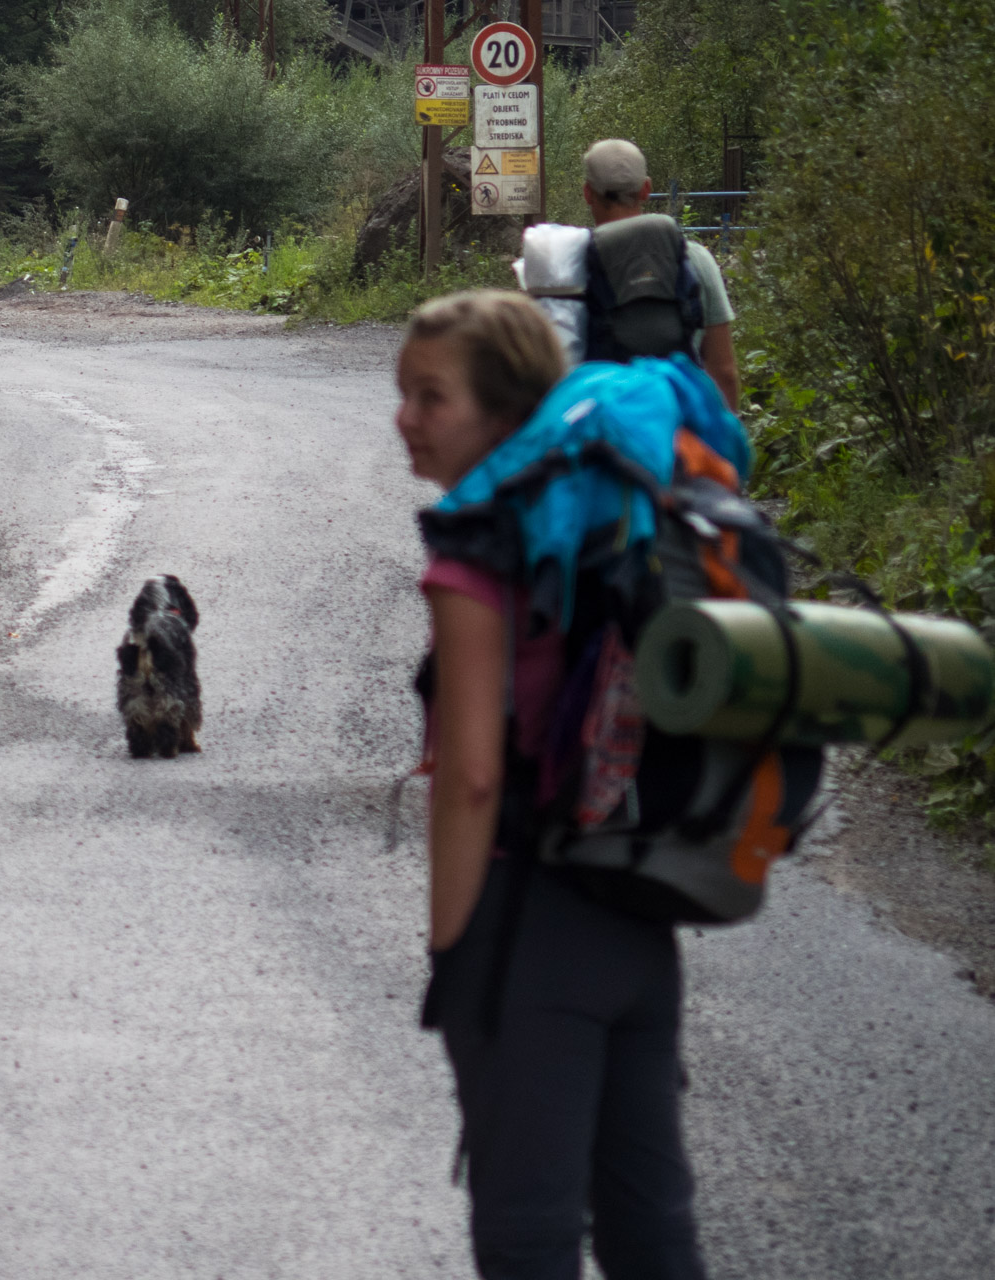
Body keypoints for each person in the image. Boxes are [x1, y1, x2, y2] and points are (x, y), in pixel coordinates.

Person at [397, 290, 711, 1280]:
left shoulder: (475, 556)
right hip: (634, 918)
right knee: (649, 1227)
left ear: (502, 414)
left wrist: (453, 953)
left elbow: (473, 777)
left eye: (431, 397)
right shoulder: (619, 520)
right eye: (402, 393)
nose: (404, 417)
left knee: (527, 1236)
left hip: (524, 935)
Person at [582, 138, 739, 409]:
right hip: (684, 433)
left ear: (587, 193)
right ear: (646, 189)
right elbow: (723, 371)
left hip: (608, 433)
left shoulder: (574, 264)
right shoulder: (696, 259)